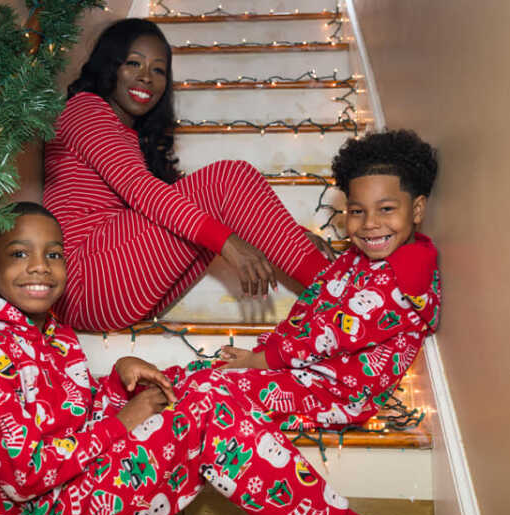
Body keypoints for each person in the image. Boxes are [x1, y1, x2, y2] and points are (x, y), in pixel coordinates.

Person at [0, 202, 449, 515]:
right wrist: (126, 419)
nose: (40, 267)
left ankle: (281, 449)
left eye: (53, 254)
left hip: (77, 483)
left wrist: (119, 375)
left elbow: (68, 411)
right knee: (208, 407)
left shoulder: (46, 331)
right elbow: (23, 475)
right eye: (20, 254)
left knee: (204, 380)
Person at [42, 18, 333, 331]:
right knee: (228, 178)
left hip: (115, 287)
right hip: (82, 276)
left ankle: (337, 297)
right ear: (109, 65)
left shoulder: (129, 136)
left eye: (158, 70)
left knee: (204, 211)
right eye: (133, 63)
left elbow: (184, 206)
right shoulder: (85, 109)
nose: (146, 78)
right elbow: (143, 190)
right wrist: (230, 244)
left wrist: (286, 234)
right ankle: (343, 295)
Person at [172, 130, 442, 433]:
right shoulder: (360, 258)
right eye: (357, 211)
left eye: (386, 209)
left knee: (215, 396)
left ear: (417, 210)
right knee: (196, 377)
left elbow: (329, 337)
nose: (369, 224)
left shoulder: (401, 281)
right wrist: (270, 348)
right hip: (306, 370)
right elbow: (314, 302)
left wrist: (261, 360)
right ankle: (144, 396)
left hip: (337, 395)